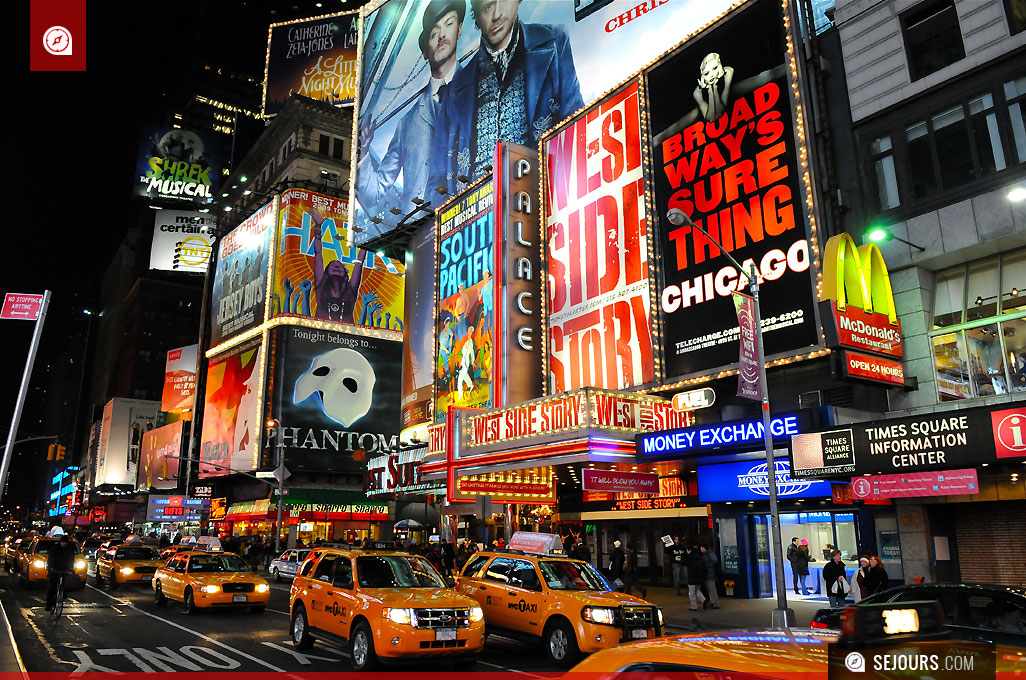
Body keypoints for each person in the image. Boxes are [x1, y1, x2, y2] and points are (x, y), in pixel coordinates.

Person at [429, 0, 585, 195]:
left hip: (543, 199)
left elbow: (577, 124)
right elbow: (437, 179)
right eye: (487, 7)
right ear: (476, 16)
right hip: (477, 216)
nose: (496, 15)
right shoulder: (454, 91)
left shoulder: (553, 41)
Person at [357, 0, 467, 220]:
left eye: (449, 24)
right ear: (425, 51)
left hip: (473, 219)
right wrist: (363, 154)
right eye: (434, 33)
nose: (442, 35)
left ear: (460, 30)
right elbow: (374, 193)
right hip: (420, 233)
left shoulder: (479, 89)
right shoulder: (407, 123)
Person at [45, 529, 77, 612]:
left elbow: (71, 559)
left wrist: (70, 568)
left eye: (65, 542)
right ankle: (49, 604)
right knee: (52, 586)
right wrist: (51, 568)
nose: (64, 544)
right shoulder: (55, 549)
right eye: (63, 542)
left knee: (65, 583)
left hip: (64, 569)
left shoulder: (70, 550)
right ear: (60, 542)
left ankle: (63, 593)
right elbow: (51, 559)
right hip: (54, 569)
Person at [685, 544, 707, 611]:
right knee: (697, 590)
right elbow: (704, 567)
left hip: (692, 578)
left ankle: (694, 606)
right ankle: (704, 600)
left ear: (689, 550)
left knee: (691, 593)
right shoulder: (699, 557)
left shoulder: (689, 558)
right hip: (699, 577)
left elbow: (684, 563)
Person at [700, 543, 720, 609]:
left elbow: (704, 566)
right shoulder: (712, 554)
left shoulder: (704, 556)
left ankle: (716, 603)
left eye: (701, 548)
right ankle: (713, 601)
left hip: (708, 575)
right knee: (712, 589)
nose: (700, 549)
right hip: (713, 574)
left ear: (704, 548)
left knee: (711, 589)